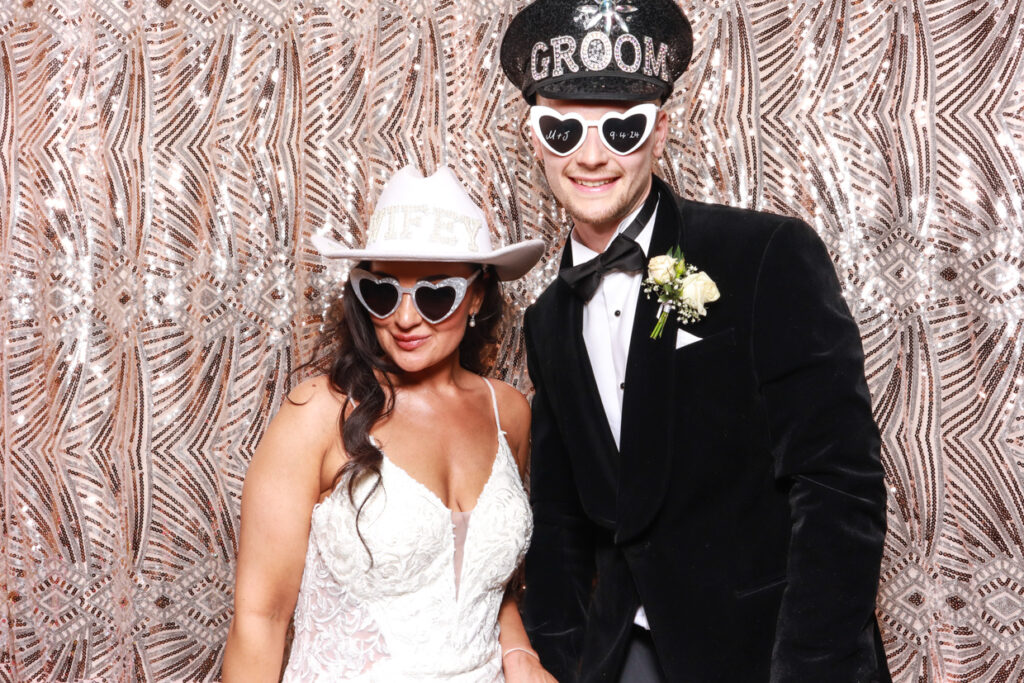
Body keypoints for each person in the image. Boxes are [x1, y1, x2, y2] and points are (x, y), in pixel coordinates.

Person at [499, 1, 892, 681]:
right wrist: (552, 664)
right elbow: (561, 527)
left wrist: (806, 669)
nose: (591, 156)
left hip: (770, 653)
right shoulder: (548, 321)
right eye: (563, 129)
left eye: (623, 129)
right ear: (532, 136)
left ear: (663, 130)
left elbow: (837, 485)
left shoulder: (762, 255)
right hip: (626, 655)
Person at [222, 166, 556, 682]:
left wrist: (520, 654)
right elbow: (260, 619)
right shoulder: (318, 414)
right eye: (381, 291)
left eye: (433, 294)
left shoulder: (508, 411)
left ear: (477, 296)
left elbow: (487, 584)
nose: (403, 319)